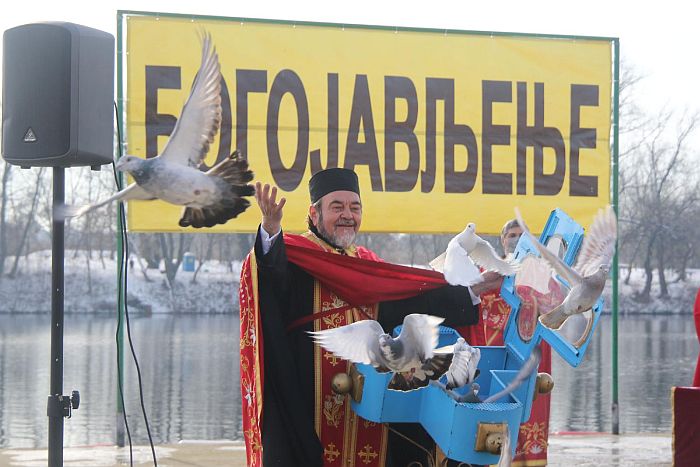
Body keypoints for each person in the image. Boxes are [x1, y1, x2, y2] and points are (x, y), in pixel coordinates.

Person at [239, 168, 482, 467]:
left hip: (368, 411)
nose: (347, 215)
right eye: (337, 207)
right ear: (314, 214)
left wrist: (470, 292)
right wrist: (271, 230)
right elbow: (270, 276)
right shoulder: (295, 258)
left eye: (354, 207)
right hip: (310, 404)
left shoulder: (367, 263)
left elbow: (410, 298)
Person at [473, 218, 556, 465]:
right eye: (511, 235)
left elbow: (553, 309)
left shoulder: (540, 274)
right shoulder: (487, 272)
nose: (516, 239)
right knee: (492, 421)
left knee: (529, 413)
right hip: (494, 359)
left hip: (527, 358)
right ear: (502, 239)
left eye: (522, 235)